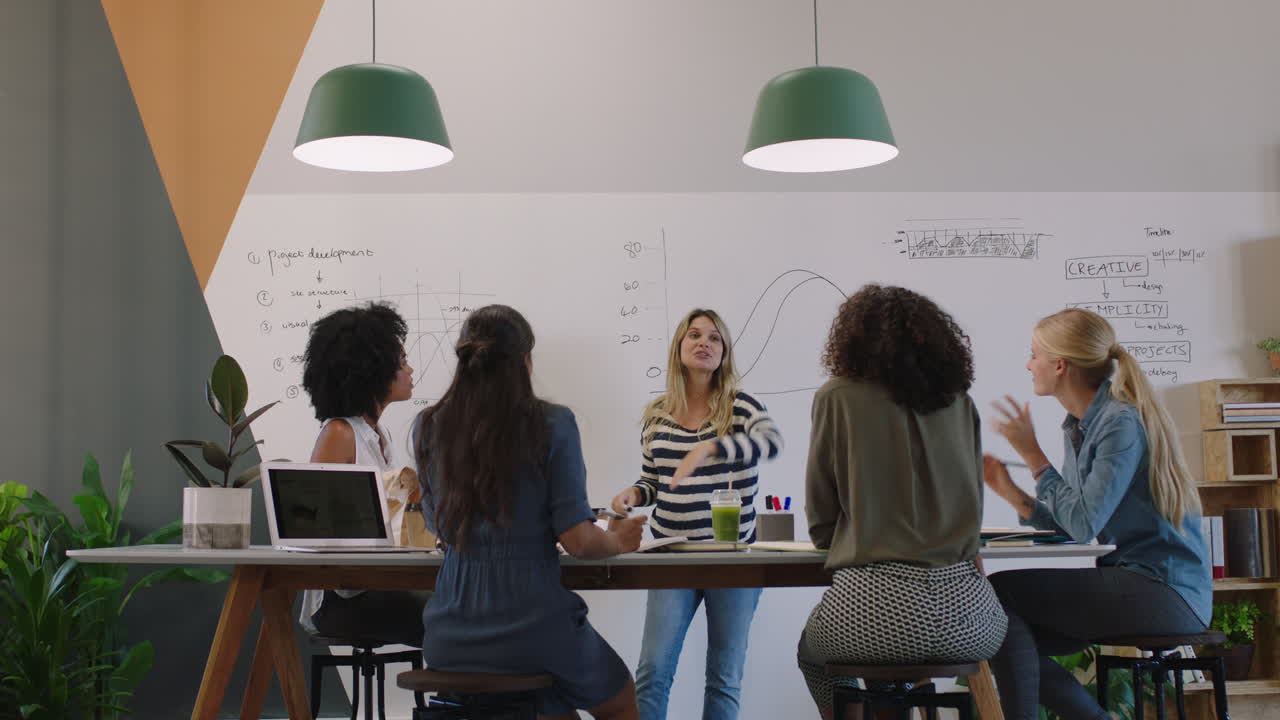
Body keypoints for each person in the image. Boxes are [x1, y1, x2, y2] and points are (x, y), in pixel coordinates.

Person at [414, 304, 648, 720]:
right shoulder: (552, 423)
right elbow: (578, 540)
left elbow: (441, 529)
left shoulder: (430, 425)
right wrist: (618, 539)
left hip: (448, 630)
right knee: (621, 702)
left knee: (552, 705)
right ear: (525, 360)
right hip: (532, 622)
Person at [982, 307, 1211, 720]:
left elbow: (1084, 523)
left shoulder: (1118, 421)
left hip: (1165, 589)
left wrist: (1032, 455)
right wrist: (1012, 493)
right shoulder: (1081, 424)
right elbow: (1074, 525)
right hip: (1139, 580)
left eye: (1033, 354)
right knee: (1000, 626)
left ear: (1060, 364)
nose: (1027, 364)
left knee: (998, 598)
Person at [796, 285, 1008, 720]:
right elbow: (974, 503)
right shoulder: (959, 401)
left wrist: (837, 539)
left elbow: (821, 511)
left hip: (873, 606)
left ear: (852, 340)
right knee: (890, 653)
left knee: (813, 655)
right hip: (971, 617)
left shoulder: (836, 396)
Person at [610, 308, 783, 720]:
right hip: (672, 557)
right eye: (694, 336)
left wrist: (714, 447)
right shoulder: (657, 413)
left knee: (724, 677)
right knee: (654, 671)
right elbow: (655, 480)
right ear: (679, 347)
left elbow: (771, 442)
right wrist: (633, 494)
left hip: (732, 558)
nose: (704, 343)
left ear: (723, 353)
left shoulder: (740, 406)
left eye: (714, 338)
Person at [299, 301, 427, 647]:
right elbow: (316, 528)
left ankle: (460, 698)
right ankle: (458, 699)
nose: (411, 370)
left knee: (462, 609)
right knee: (455, 616)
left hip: (377, 583)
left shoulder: (377, 435)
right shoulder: (340, 434)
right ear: (374, 371)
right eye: (402, 362)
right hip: (343, 600)